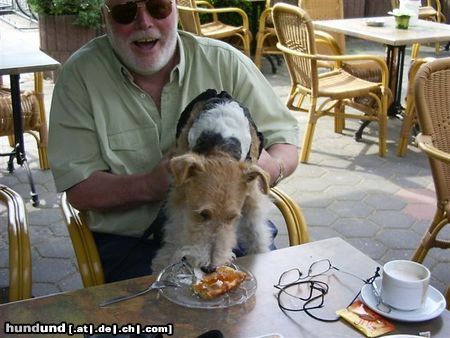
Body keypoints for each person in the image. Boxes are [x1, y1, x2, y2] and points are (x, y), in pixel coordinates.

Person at [48, 0, 299, 283]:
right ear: (105, 16)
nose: (144, 23)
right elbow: (79, 191)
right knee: (161, 326)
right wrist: (148, 184)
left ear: (177, 7)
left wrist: (263, 168)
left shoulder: (225, 61)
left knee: (267, 315)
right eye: (125, 12)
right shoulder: (80, 76)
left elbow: (285, 145)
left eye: (158, 7)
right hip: (134, 246)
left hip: (234, 233)